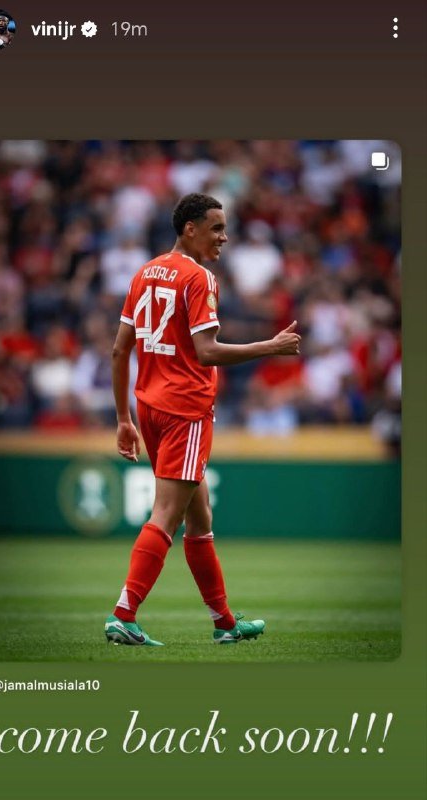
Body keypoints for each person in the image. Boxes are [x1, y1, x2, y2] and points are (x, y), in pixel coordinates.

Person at [105, 193, 301, 646]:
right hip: (185, 409)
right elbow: (206, 351)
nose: (224, 237)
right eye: (216, 228)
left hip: (150, 407)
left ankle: (225, 623)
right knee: (166, 513)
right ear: (189, 229)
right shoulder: (198, 277)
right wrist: (269, 347)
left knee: (200, 516)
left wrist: (123, 418)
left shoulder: (144, 272)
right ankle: (123, 614)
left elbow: (119, 350)